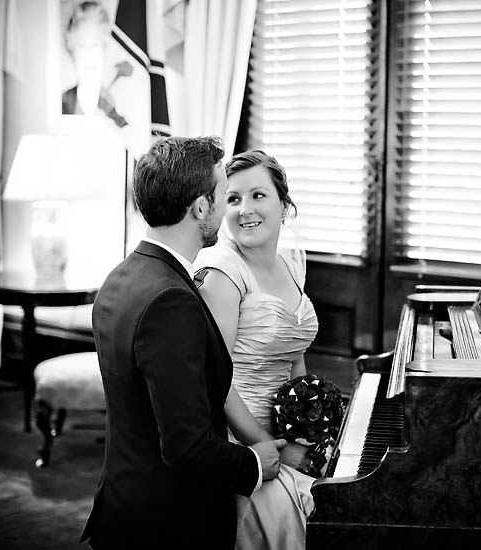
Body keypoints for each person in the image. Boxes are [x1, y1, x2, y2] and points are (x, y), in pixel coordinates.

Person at [81, 137, 286, 549]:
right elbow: (186, 447)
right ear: (200, 208)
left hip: (125, 505)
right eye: (222, 196)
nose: (228, 208)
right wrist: (253, 463)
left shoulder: (120, 277)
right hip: (166, 525)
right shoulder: (170, 301)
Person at [194, 150, 319, 550]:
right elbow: (215, 379)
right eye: (233, 199)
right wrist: (270, 449)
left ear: (284, 205)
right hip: (241, 440)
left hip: (283, 435)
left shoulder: (290, 265)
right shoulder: (223, 272)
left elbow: (294, 354)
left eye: (258, 195)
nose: (244, 209)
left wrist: (306, 431)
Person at [61, 1, 128, 127]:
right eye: (82, 46)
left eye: (95, 45)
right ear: (71, 49)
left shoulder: (121, 105)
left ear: (104, 48)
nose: (89, 55)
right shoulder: (60, 104)